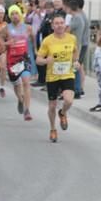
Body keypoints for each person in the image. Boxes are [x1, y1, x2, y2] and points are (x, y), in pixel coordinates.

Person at [36, 14, 79, 143]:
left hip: (67, 74)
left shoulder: (72, 38)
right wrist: (46, 61)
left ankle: (63, 112)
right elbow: (38, 60)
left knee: (69, 101)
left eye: (62, 23)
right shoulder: (47, 41)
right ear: (52, 26)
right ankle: (53, 129)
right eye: (57, 23)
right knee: (52, 106)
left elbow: (75, 51)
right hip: (52, 77)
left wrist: (76, 61)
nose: (60, 25)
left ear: (65, 25)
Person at [0, 5, 34, 121]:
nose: (14, 16)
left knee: (26, 82)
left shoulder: (27, 28)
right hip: (12, 60)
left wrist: (35, 50)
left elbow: (33, 38)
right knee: (16, 85)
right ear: (9, 16)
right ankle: (20, 99)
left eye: (16, 13)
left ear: (20, 14)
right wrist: (8, 43)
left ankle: (27, 110)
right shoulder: (6, 29)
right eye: (12, 14)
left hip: (24, 58)